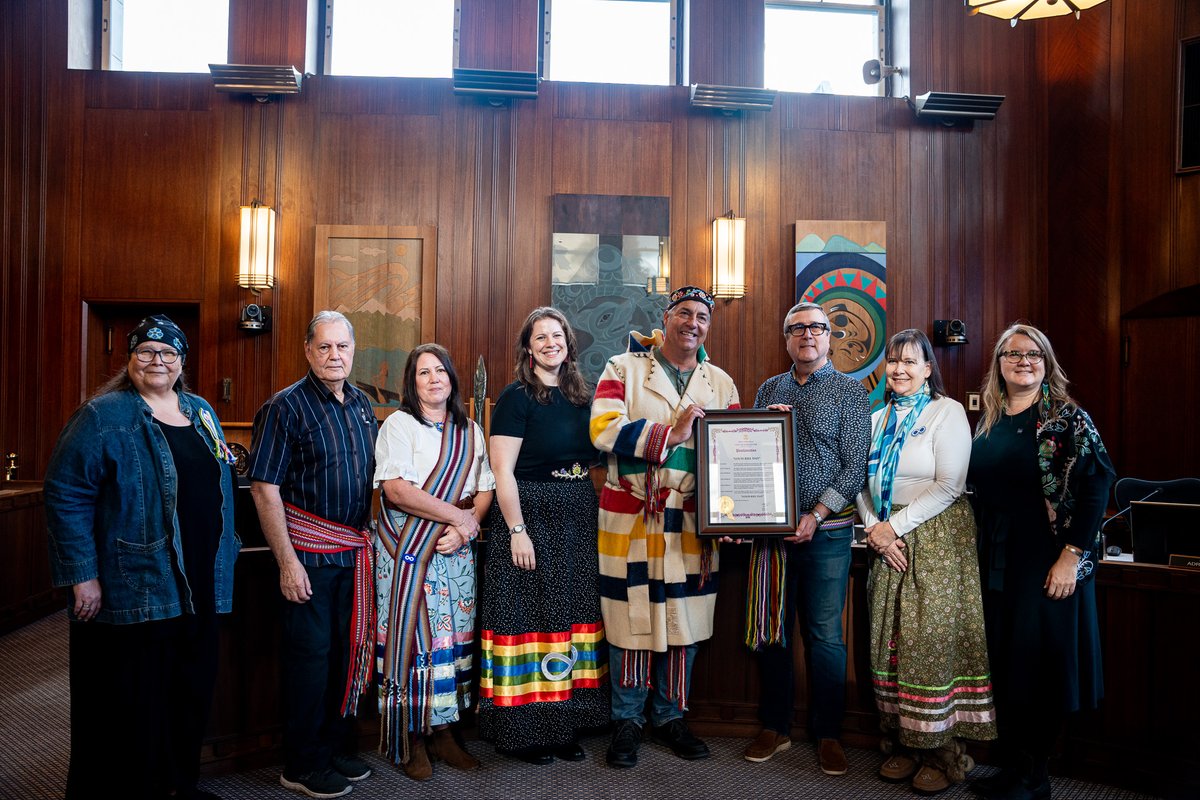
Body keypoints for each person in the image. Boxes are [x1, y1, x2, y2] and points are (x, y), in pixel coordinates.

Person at [44, 314, 239, 800]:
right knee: (134, 700)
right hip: (138, 582)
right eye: (146, 352)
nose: (157, 361)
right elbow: (65, 492)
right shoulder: (104, 415)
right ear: (129, 359)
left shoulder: (200, 411)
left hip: (202, 583)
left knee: (189, 693)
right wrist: (82, 575)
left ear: (182, 362)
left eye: (168, 353)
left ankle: (179, 786)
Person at [590, 285, 740, 769]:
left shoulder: (721, 383)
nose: (692, 323)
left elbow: (734, 453)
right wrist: (670, 434)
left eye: (702, 316)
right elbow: (603, 428)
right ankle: (627, 721)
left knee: (685, 620)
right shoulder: (622, 368)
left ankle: (672, 715)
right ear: (666, 318)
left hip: (693, 519)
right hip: (633, 513)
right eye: (683, 313)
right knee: (630, 621)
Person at [967, 323, 1114, 800]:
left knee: (1040, 665)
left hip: (1048, 558)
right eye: (1012, 354)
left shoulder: (1066, 418)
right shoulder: (990, 417)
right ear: (999, 364)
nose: (1023, 361)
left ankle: (1035, 779)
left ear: (1047, 362)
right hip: (999, 556)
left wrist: (1071, 556)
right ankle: (1013, 770)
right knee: (1008, 663)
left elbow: (1097, 486)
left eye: (1033, 354)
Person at [855, 329, 996, 794]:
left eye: (910, 362)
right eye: (893, 361)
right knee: (889, 641)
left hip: (935, 538)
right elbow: (860, 482)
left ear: (928, 369)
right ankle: (903, 743)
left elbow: (950, 484)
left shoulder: (946, 412)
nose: (899, 369)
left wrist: (892, 527)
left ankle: (943, 751)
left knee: (928, 639)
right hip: (885, 537)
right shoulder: (875, 418)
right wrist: (877, 528)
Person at [249, 310, 378, 799]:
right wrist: (287, 562)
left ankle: (335, 749)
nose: (334, 355)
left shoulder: (363, 405)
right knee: (311, 661)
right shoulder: (285, 407)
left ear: (353, 350)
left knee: (346, 655)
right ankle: (302, 763)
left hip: (353, 555)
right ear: (308, 351)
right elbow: (265, 488)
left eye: (342, 347)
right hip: (307, 554)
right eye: (323, 347)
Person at [477, 307, 610, 764]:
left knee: (568, 618)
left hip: (575, 514)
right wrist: (517, 530)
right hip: (529, 515)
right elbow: (501, 470)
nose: (551, 343)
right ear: (528, 348)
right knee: (528, 619)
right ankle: (524, 730)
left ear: (569, 343)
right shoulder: (517, 397)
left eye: (558, 335)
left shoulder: (582, 394)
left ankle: (561, 724)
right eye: (541, 337)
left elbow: (603, 454)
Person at [743, 300, 870, 776]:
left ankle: (828, 733)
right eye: (797, 329)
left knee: (825, 638)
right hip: (771, 534)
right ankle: (775, 726)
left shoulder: (851, 392)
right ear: (787, 338)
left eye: (817, 327)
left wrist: (816, 513)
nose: (808, 335)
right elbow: (749, 454)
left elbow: (854, 466)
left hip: (829, 535)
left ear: (829, 336)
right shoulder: (769, 388)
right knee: (772, 632)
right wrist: (763, 425)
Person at [373, 343, 495, 782]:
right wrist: (457, 517)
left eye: (440, 370)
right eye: (423, 373)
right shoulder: (399, 426)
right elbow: (397, 491)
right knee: (415, 643)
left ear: (451, 378)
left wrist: (465, 527)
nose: (433, 378)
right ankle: (411, 739)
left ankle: (444, 731)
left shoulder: (471, 431)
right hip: (407, 550)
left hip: (453, 551)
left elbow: (485, 489)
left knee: (448, 644)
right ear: (412, 382)